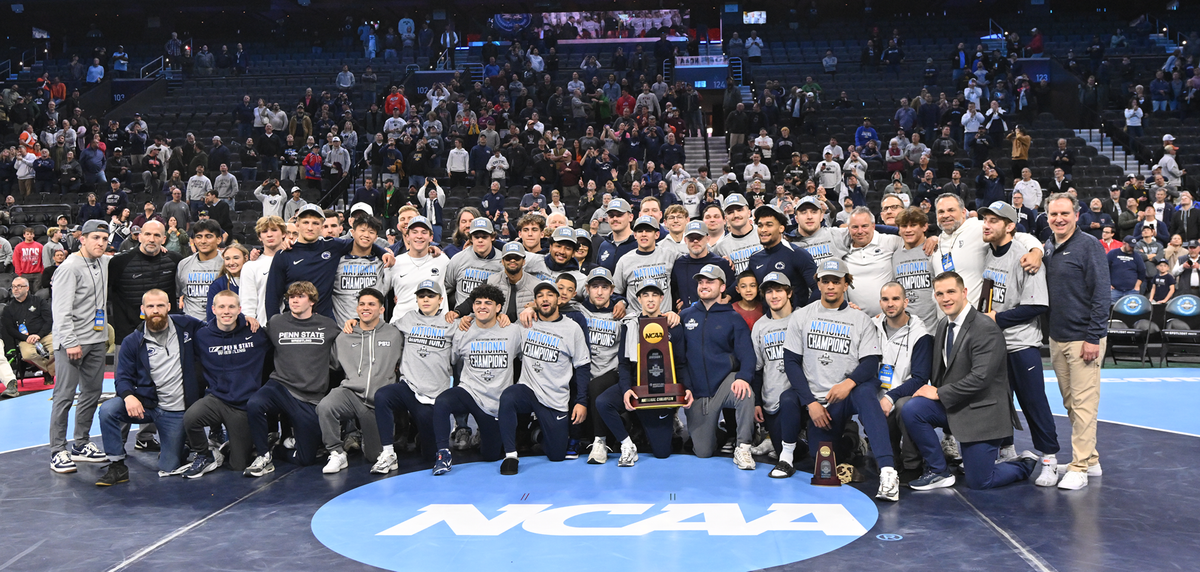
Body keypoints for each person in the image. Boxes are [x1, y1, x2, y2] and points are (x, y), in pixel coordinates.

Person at [895, 271, 1039, 491]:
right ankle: (938, 471)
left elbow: (980, 378)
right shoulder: (944, 325)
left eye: (951, 292)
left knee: (980, 481)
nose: (946, 298)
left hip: (982, 413)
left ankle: (1023, 463)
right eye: (940, 294)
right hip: (958, 405)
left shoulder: (985, 328)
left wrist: (939, 393)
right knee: (911, 407)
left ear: (964, 292)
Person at [781, 259, 898, 501]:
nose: (831, 286)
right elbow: (791, 362)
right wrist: (810, 403)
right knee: (822, 458)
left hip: (846, 395)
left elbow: (870, 362)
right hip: (818, 401)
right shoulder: (802, 316)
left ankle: (888, 471)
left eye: (837, 281)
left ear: (846, 284)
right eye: (826, 281)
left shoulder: (861, 320)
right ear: (818, 283)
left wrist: (849, 383)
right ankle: (852, 441)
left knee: (866, 392)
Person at [978, 202, 1060, 486]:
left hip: (1021, 344)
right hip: (994, 345)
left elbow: (1036, 305)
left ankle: (1049, 459)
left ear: (1010, 226)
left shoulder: (1026, 257)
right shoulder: (988, 254)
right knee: (1000, 403)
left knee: (1034, 402)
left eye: (993, 221)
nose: (986, 225)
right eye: (985, 219)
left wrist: (995, 319)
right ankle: (1007, 451)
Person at [95, 289, 206, 485]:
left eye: (160, 305)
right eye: (151, 306)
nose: (156, 310)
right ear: (143, 309)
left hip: (177, 411)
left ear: (169, 307)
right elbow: (122, 378)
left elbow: (217, 329)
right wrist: (129, 396)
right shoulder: (133, 341)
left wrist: (244, 320)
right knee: (108, 410)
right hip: (148, 405)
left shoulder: (187, 325)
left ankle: (181, 445)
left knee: (169, 466)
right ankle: (117, 465)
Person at [1043, 193, 1111, 490]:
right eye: (1053, 214)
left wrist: (1093, 337)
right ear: (1047, 217)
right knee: (1072, 403)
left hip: (1084, 339)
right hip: (1057, 338)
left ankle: (1079, 466)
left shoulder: (1089, 246)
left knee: (1084, 404)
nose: (1059, 218)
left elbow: (1101, 294)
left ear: (1076, 215)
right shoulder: (1049, 246)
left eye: (1064, 214)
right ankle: (1092, 459)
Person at [244, 281, 340, 476]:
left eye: (300, 296)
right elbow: (254, 341)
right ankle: (263, 455)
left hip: (310, 397)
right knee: (255, 404)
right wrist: (245, 320)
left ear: (312, 301)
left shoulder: (327, 325)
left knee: (306, 459)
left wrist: (352, 323)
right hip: (280, 386)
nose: (294, 300)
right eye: (291, 297)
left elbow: (343, 351)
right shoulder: (276, 322)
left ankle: (278, 450)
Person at [496, 280, 591, 475]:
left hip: (554, 397)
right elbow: (500, 333)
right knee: (508, 397)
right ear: (535, 302)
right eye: (540, 296)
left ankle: (538, 434)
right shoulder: (525, 323)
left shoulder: (572, 328)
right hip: (528, 389)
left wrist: (582, 401)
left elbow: (582, 366)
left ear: (558, 299)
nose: (545, 299)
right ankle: (511, 455)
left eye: (549, 294)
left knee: (557, 455)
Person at [593, 278, 690, 465]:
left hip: (662, 392)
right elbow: (623, 364)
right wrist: (626, 389)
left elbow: (680, 364)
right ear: (639, 298)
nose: (650, 299)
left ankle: (668, 421)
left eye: (655, 294)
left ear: (662, 297)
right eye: (645, 295)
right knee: (603, 402)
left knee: (662, 453)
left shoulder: (672, 326)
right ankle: (627, 444)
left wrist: (686, 389)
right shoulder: (630, 325)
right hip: (638, 387)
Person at [432, 284, 522, 473]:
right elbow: (453, 359)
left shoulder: (513, 331)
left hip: (495, 403)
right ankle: (443, 453)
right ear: (472, 307)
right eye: (478, 303)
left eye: (488, 303)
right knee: (442, 401)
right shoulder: (463, 330)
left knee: (490, 455)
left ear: (498, 308)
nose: (482, 306)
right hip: (469, 391)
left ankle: (483, 432)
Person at [179, 289, 269, 477]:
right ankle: (205, 454)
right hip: (217, 399)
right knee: (191, 418)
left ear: (239, 310)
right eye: (221, 307)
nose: (226, 311)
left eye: (231, 307)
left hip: (243, 405)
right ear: (213, 309)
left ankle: (236, 444)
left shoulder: (255, 332)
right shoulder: (202, 336)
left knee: (238, 465)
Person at [674, 264, 757, 467]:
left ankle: (744, 447)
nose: (704, 285)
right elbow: (680, 359)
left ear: (722, 287)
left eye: (710, 281)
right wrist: (687, 387)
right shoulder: (685, 316)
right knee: (703, 452)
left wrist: (743, 377)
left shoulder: (733, 318)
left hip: (724, 384)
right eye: (701, 282)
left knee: (745, 392)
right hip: (698, 392)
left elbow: (748, 356)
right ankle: (715, 432)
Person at [370, 280, 456, 472]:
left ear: (441, 300)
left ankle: (421, 437)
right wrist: (355, 322)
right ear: (416, 300)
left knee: (428, 454)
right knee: (382, 395)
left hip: (434, 395)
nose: (426, 299)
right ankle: (388, 453)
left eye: (431, 296)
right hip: (408, 387)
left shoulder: (452, 323)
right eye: (421, 296)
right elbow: (379, 329)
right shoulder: (407, 319)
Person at [49, 219, 112, 474]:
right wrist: (71, 341)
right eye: (96, 238)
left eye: (105, 239)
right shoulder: (69, 267)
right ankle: (57, 450)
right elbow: (60, 311)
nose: (101, 243)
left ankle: (81, 443)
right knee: (64, 396)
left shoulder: (103, 261)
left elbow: (131, 254)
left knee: (91, 393)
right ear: (82, 238)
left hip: (97, 340)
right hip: (72, 342)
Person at [318, 288, 402, 474]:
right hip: (352, 393)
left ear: (381, 309)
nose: (366, 308)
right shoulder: (345, 336)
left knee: (374, 456)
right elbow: (332, 365)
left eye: (371, 304)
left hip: (379, 402)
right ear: (356, 308)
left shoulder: (394, 334)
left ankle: (364, 436)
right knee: (326, 406)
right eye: (362, 304)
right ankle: (337, 453)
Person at [264, 205, 393, 321]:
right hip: (295, 321)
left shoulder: (332, 246)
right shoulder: (284, 254)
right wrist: (273, 326)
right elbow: (272, 297)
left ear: (321, 226)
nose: (310, 227)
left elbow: (361, 241)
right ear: (297, 225)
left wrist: (383, 253)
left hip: (325, 323)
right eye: (305, 222)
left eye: (315, 223)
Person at [874, 282, 934, 483]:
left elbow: (920, 379)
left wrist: (891, 397)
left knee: (904, 407)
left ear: (905, 302)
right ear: (880, 303)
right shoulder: (872, 325)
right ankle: (889, 459)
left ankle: (912, 463)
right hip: (878, 391)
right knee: (866, 400)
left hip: (905, 394)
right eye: (885, 299)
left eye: (895, 299)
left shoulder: (920, 334)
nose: (890, 304)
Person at [748, 272, 805, 470]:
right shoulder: (760, 327)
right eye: (769, 291)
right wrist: (756, 403)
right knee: (786, 452)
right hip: (772, 400)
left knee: (817, 452)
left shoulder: (803, 317)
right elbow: (757, 369)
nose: (774, 296)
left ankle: (849, 437)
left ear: (789, 293)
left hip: (803, 398)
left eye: (779, 290)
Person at [747, 204, 818, 312]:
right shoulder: (755, 259)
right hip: (770, 322)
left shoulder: (797, 254)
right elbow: (741, 285)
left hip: (796, 323)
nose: (763, 230)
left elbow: (819, 288)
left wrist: (804, 314)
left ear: (781, 228)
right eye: (760, 225)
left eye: (769, 225)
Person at [613, 215, 676, 316]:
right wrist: (621, 302)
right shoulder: (624, 261)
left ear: (657, 234)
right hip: (636, 320)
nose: (643, 234)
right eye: (640, 231)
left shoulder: (670, 255)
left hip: (664, 318)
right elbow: (616, 292)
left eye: (648, 231)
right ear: (635, 235)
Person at [671, 220, 735, 310]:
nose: (695, 241)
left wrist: (727, 298)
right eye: (691, 238)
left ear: (708, 239)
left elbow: (733, 287)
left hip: (715, 316)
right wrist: (678, 303)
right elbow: (673, 289)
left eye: (699, 237)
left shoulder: (721, 263)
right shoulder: (679, 264)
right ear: (685, 240)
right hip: (688, 318)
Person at [1, 276, 55, 378]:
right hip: (25, 339)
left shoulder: (39, 301)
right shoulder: (9, 308)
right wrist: (26, 338)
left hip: (44, 335)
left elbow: (49, 320)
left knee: (57, 349)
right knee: (28, 355)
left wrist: (39, 335)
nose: (15, 289)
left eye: (19, 286)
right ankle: (47, 371)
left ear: (27, 288)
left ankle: (47, 372)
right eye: (13, 287)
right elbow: (10, 329)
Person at [238, 216, 288, 327]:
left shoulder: (294, 261)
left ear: (284, 234)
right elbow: (247, 301)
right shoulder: (251, 266)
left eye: (274, 230)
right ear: (259, 237)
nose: (269, 234)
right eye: (264, 231)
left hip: (293, 327)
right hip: (262, 326)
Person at [892, 207, 938, 327]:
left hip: (933, 327)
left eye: (913, 225)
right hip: (905, 328)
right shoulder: (894, 256)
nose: (908, 230)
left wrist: (938, 239)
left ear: (924, 227)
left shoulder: (935, 249)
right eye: (903, 226)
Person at [176, 220, 223, 320]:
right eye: (199, 236)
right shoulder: (183, 264)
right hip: (191, 325)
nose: (203, 241)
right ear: (194, 240)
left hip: (221, 325)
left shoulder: (227, 263)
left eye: (208, 236)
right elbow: (179, 293)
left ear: (219, 239)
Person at [711, 194, 763, 274]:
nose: (736, 215)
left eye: (740, 210)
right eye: (730, 212)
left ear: (749, 213)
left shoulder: (764, 234)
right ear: (726, 218)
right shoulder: (720, 247)